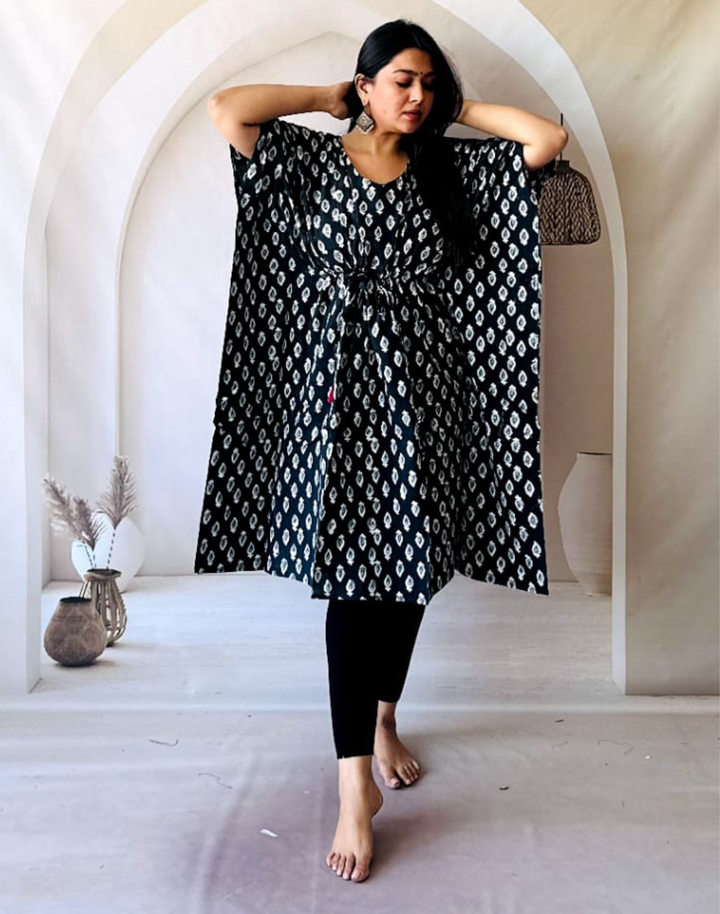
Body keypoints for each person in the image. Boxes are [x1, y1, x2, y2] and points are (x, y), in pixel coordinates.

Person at [198, 18, 567, 885]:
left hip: (423, 395)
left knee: (408, 571)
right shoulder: (312, 160)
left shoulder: (450, 168)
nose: (418, 95)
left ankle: (384, 715)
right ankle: (351, 783)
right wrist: (327, 98)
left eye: (429, 83)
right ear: (365, 84)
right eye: (402, 80)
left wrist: (453, 108)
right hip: (333, 400)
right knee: (348, 583)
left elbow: (544, 142)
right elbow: (228, 110)